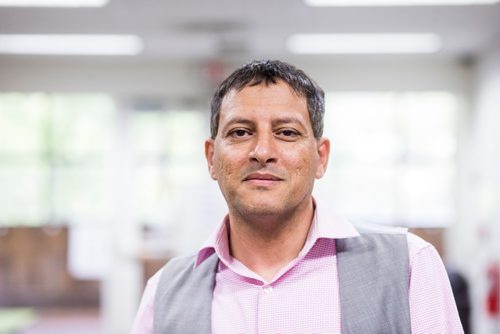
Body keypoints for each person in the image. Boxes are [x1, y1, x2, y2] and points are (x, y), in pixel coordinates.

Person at [131, 60, 463, 333]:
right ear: (211, 158)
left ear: (321, 157)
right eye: (240, 132)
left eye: (287, 133)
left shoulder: (408, 267)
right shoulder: (164, 291)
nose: (262, 151)